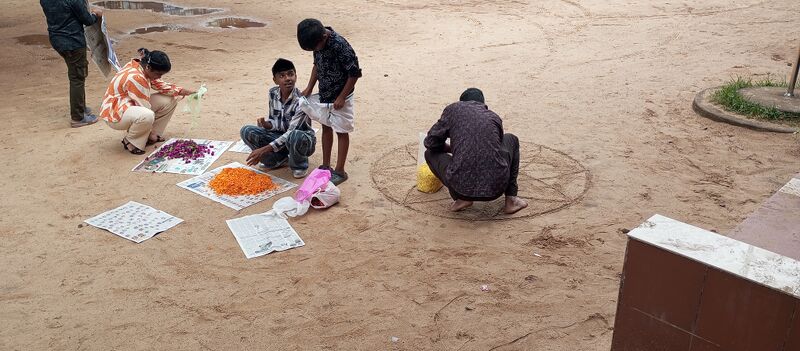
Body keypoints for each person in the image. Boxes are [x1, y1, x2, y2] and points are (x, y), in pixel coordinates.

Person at [424, 88, 528, 214]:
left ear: (461, 102)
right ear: (483, 104)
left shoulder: (453, 110)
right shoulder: (494, 117)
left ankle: (461, 198)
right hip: (496, 187)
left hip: (460, 187)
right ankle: (511, 199)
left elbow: (430, 142)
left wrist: (451, 148)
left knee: (430, 153)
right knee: (512, 139)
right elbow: (497, 147)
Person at [296, 18, 362, 185]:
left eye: (313, 48)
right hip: (325, 93)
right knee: (326, 126)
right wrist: (310, 87)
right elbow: (316, 65)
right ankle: (326, 165)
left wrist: (341, 97)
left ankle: (340, 170)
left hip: (342, 96)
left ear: (323, 38)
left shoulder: (340, 46)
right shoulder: (316, 40)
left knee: (341, 130)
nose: (313, 51)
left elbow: (354, 74)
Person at [99, 48, 195, 154]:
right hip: (114, 114)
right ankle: (131, 141)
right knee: (146, 115)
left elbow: (160, 85)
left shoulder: (142, 67)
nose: (159, 77)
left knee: (169, 100)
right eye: (159, 74)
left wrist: (184, 91)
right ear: (149, 67)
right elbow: (144, 106)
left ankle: (150, 136)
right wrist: (151, 131)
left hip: (127, 106)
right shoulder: (136, 77)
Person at [241, 58, 317, 179]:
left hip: (301, 140)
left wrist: (263, 150)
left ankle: (299, 165)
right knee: (246, 131)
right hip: (281, 137)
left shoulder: (302, 101)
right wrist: (267, 124)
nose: (287, 78)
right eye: (282, 76)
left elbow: (291, 131)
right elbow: (277, 122)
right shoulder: (272, 93)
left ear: (296, 76)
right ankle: (277, 159)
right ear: (275, 80)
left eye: (291, 74)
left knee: (295, 135)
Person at [40, 0, 103, 127]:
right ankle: (78, 117)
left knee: (77, 74)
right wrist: (96, 15)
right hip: (73, 42)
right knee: (77, 78)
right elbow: (87, 20)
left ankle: (81, 107)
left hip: (57, 40)